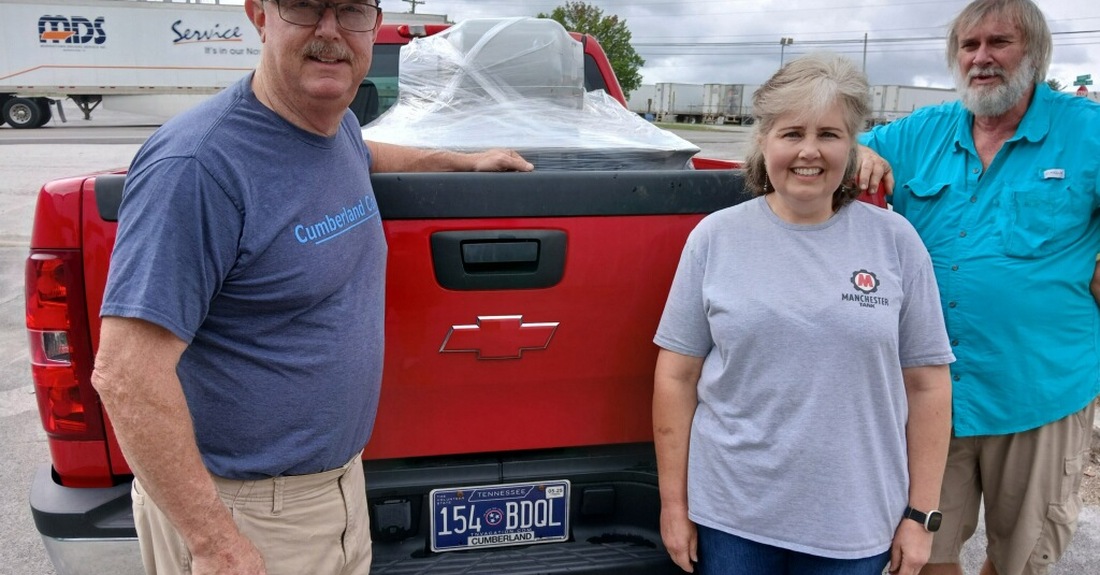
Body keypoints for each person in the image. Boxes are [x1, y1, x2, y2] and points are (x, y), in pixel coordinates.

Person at [90, 1, 532, 574]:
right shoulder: (199, 167)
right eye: (304, 6)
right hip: (241, 511)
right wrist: (216, 545)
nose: (330, 31)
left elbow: (367, 151)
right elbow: (125, 374)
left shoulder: (333, 125)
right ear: (258, 15)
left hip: (334, 491)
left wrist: (461, 161)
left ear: (373, 24)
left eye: (349, 10)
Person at [652, 52, 955, 575]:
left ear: (853, 144)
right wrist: (674, 505)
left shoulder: (896, 241)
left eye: (830, 134)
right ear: (764, 140)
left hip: (856, 523)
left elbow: (928, 384)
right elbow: (676, 377)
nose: (809, 151)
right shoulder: (715, 238)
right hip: (732, 517)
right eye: (791, 133)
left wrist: (920, 514)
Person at [856, 1, 1100, 574]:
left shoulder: (1086, 132)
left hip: (1040, 389)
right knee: (924, 552)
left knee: (1022, 557)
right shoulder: (919, 133)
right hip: (931, 390)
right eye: (969, 46)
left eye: (999, 43)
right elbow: (837, 151)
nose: (981, 58)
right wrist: (859, 152)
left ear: (1034, 53)